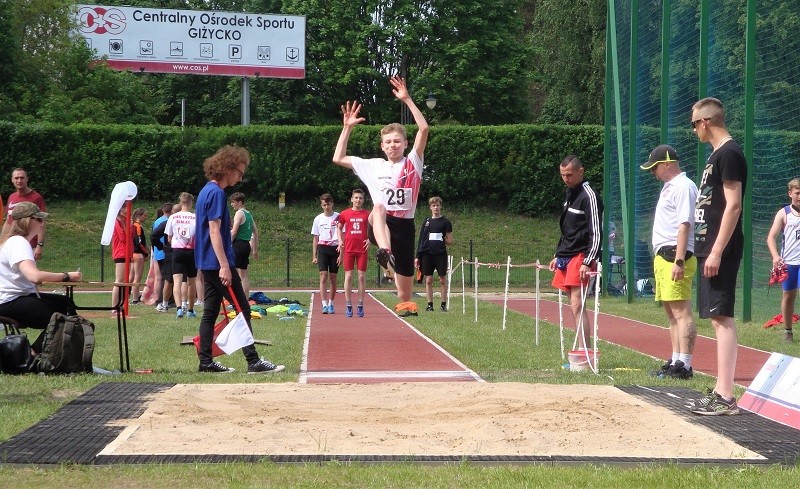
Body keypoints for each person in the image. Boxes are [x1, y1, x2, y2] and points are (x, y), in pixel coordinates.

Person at [332, 76, 429, 307]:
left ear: (405, 144)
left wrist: (407, 100)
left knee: (404, 294)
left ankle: (399, 287)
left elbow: (424, 128)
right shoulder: (373, 165)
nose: (393, 145)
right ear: (382, 146)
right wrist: (346, 128)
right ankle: (385, 251)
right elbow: (338, 157)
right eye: (388, 142)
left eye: (397, 141)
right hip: (380, 225)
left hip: (405, 226)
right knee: (378, 207)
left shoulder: (413, 162)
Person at [194, 145, 284, 373]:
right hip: (217, 263)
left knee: (210, 312)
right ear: (227, 168)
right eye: (240, 173)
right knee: (243, 308)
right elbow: (214, 231)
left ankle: (205, 362)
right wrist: (224, 265)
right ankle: (253, 361)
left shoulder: (206, 191)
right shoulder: (216, 193)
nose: (240, 178)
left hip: (207, 261)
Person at [688, 97, 746, 416]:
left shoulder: (729, 153)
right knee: (715, 316)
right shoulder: (716, 155)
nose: (694, 129)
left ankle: (726, 396)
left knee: (722, 316)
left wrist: (717, 250)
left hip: (719, 250)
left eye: (694, 123)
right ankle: (720, 390)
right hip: (708, 248)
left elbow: (733, 205)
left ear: (706, 122)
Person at [640, 145, 699, 379]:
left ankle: (685, 364)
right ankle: (676, 360)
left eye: (655, 167)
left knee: (682, 312)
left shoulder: (684, 186)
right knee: (671, 313)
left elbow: (685, 224)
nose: (653, 172)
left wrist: (680, 260)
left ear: (666, 164)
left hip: (675, 256)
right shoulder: (669, 187)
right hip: (664, 256)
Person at [0, 202, 82, 353]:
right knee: (67, 318)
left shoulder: (12, 241)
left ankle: (35, 353)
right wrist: (66, 276)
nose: (42, 223)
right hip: (11, 301)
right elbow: (34, 276)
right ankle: (34, 354)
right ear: (28, 221)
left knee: (66, 304)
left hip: (10, 300)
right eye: (39, 219)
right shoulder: (19, 243)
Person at [549, 155, 603, 350]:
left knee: (577, 304)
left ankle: (585, 351)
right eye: (563, 175)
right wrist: (558, 254)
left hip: (581, 256)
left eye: (570, 175)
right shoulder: (569, 193)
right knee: (573, 305)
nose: (566, 179)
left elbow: (596, 232)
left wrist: (588, 261)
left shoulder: (589, 196)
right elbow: (567, 229)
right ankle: (581, 349)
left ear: (581, 171)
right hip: (567, 254)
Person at [766, 178, 800, 343]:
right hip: (789, 263)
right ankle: (788, 331)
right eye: (797, 193)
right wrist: (775, 256)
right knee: (788, 295)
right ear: (790, 194)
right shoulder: (784, 213)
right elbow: (771, 237)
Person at [337, 189, 371, 317]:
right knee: (349, 276)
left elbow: (374, 228)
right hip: (349, 248)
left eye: (360, 198)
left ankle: (361, 304)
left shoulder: (367, 214)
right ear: (352, 199)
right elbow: (339, 227)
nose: (358, 200)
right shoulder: (345, 213)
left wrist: (370, 239)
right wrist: (340, 240)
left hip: (362, 249)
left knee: (361, 277)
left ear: (363, 200)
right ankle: (348, 304)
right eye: (356, 198)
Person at [415, 196, 453, 312]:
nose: (436, 207)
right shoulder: (426, 222)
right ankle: (430, 305)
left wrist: (441, 239)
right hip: (427, 254)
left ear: (441, 206)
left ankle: (443, 304)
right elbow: (421, 239)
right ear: (430, 207)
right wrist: (417, 257)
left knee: (442, 279)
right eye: (433, 205)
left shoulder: (446, 222)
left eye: (437, 205)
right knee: (428, 279)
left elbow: (450, 240)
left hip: (440, 254)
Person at [166, 192, 197, 319]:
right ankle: (190, 309)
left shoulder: (173, 217)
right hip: (191, 251)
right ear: (191, 203)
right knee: (191, 282)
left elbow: (169, 237)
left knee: (177, 281)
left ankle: (179, 308)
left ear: (180, 203)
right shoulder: (195, 217)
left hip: (177, 250)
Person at [4, 168, 46, 261]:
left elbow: (41, 222)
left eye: (22, 178)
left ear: (27, 179)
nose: (19, 180)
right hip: (12, 243)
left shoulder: (36, 197)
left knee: (28, 272)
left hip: (29, 244)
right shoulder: (11, 197)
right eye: (16, 178)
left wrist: (40, 245)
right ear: (12, 180)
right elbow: (8, 221)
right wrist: (2, 241)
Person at [311, 193, 340, 314]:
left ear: (332, 203)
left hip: (335, 248)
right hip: (323, 248)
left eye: (328, 204)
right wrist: (314, 255)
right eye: (324, 205)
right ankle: (323, 304)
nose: (326, 207)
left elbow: (343, 234)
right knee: (323, 276)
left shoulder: (339, 217)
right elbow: (315, 238)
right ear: (321, 205)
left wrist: (341, 251)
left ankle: (331, 303)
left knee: (333, 277)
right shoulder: (318, 219)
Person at [230, 192, 259, 299]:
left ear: (240, 202)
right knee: (244, 275)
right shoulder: (249, 214)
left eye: (233, 202)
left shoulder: (239, 213)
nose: (232, 205)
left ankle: (240, 299)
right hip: (246, 245)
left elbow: (234, 231)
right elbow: (255, 232)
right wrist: (255, 250)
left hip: (238, 245)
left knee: (238, 275)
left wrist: (227, 243)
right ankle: (245, 299)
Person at [151, 203, 175, 312]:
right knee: (168, 279)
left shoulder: (157, 221)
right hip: (166, 251)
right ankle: (163, 300)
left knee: (160, 277)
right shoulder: (169, 222)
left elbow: (153, 235)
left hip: (159, 251)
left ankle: (162, 300)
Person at [111, 206, 133, 310]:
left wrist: (129, 224)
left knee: (125, 281)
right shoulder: (117, 222)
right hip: (120, 253)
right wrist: (126, 225)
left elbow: (132, 235)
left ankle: (121, 305)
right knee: (119, 280)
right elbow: (123, 237)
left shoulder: (127, 221)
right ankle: (114, 307)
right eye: (126, 208)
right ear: (121, 210)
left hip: (128, 253)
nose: (129, 210)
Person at [130, 207, 149, 304]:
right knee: (137, 277)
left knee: (132, 277)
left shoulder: (132, 225)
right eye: (144, 215)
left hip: (133, 253)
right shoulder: (137, 226)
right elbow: (139, 242)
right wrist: (146, 252)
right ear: (139, 215)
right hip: (138, 254)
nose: (145, 217)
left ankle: (130, 296)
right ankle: (135, 299)